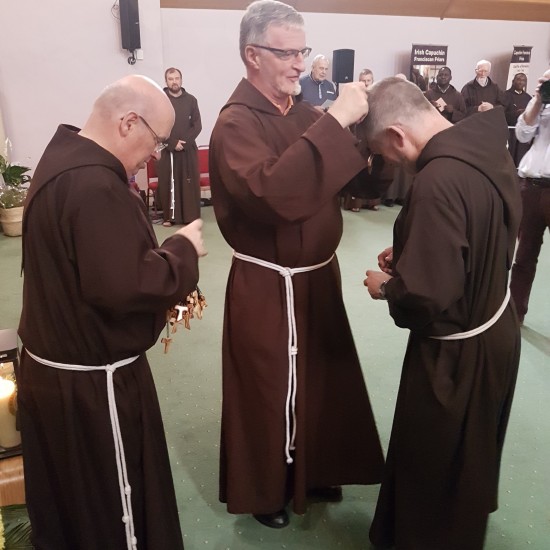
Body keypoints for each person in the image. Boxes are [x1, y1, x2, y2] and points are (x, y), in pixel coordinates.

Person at [209, 0, 384, 530]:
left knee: (321, 376)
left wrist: (375, 142)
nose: (300, 64)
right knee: (267, 384)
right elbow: (272, 195)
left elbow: (351, 181)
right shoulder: (234, 124)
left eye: (303, 51)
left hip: (317, 276)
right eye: (286, 52)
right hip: (268, 282)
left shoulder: (307, 116)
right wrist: (335, 125)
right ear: (251, 55)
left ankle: (316, 468)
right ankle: (266, 489)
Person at [17, 75, 206, 550]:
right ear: (128, 123)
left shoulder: (60, 157)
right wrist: (181, 251)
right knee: (116, 514)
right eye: (157, 140)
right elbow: (124, 288)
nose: (157, 154)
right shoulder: (95, 186)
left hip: (53, 376)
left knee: (71, 509)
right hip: (92, 390)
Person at [362, 77, 521, 549]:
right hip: (494, 326)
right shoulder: (483, 145)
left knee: (434, 465)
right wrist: (414, 246)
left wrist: (389, 286)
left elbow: (428, 294)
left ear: (396, 134)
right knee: (467, 461)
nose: (391, 163)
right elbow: (483, 230)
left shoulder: (437, 180)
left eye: (385, 154)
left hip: (457, 354)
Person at [510, 69, 550, 325]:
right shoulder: (543, 101)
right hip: (532, 187)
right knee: (524, 256)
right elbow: (522, 134)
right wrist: (538, 98)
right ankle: (515, 314)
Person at [156, 67, 202, 227]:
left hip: (187, 148)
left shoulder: (191, 100)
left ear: (181, 80)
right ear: (166, 81)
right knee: (168, 181)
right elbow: (156, 124)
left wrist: (184, 143)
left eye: (176, 78)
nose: (174, 82)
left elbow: (197, 125)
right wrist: (172, 143)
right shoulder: (160, 100)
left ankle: (190, 216)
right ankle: (170, 217)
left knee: (188, 182)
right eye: (171, 79)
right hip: (168, 149)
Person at [504, 72, 533, 167]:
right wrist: (516, 113)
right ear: (513, 81)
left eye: (523, 80)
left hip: (522, 134)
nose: (521, 82)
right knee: (509, 158)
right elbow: (501, 113)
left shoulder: (528, 98)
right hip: (510, 132)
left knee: (521, 157)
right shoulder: (505, 95)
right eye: (518, 79)